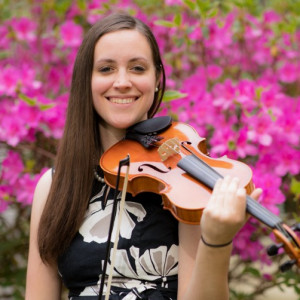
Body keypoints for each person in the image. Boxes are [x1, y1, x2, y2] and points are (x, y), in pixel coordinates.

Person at [25, 12, 262, 300]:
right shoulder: (54, 186)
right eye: (106, 69)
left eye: (137, 68)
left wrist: (217, 241)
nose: (123, 82)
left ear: (157, 79)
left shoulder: (184, 182)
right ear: (85, 81)